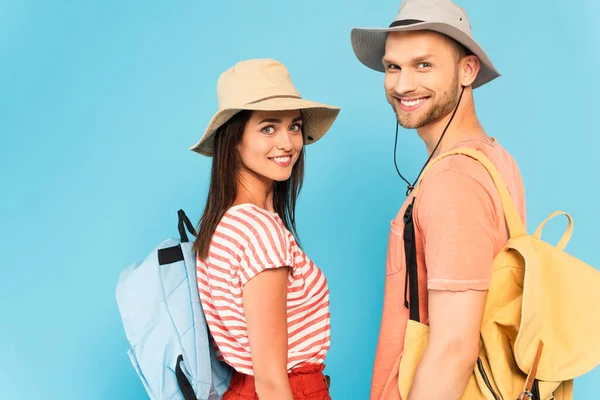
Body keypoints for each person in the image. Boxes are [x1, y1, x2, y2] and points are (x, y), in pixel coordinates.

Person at [350, 0, 527, 399]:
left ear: (467, 69)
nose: (401, 85)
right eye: (393, 66)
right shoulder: (495, 158)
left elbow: (453, 349)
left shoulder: (454, 179)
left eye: (423, 65)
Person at [189, 58, 340, 400]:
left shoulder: (223, 225)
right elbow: (271, 380)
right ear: (234, 139)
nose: (287, 143)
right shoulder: (260, 233)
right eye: (268, 128)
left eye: (294, 126)